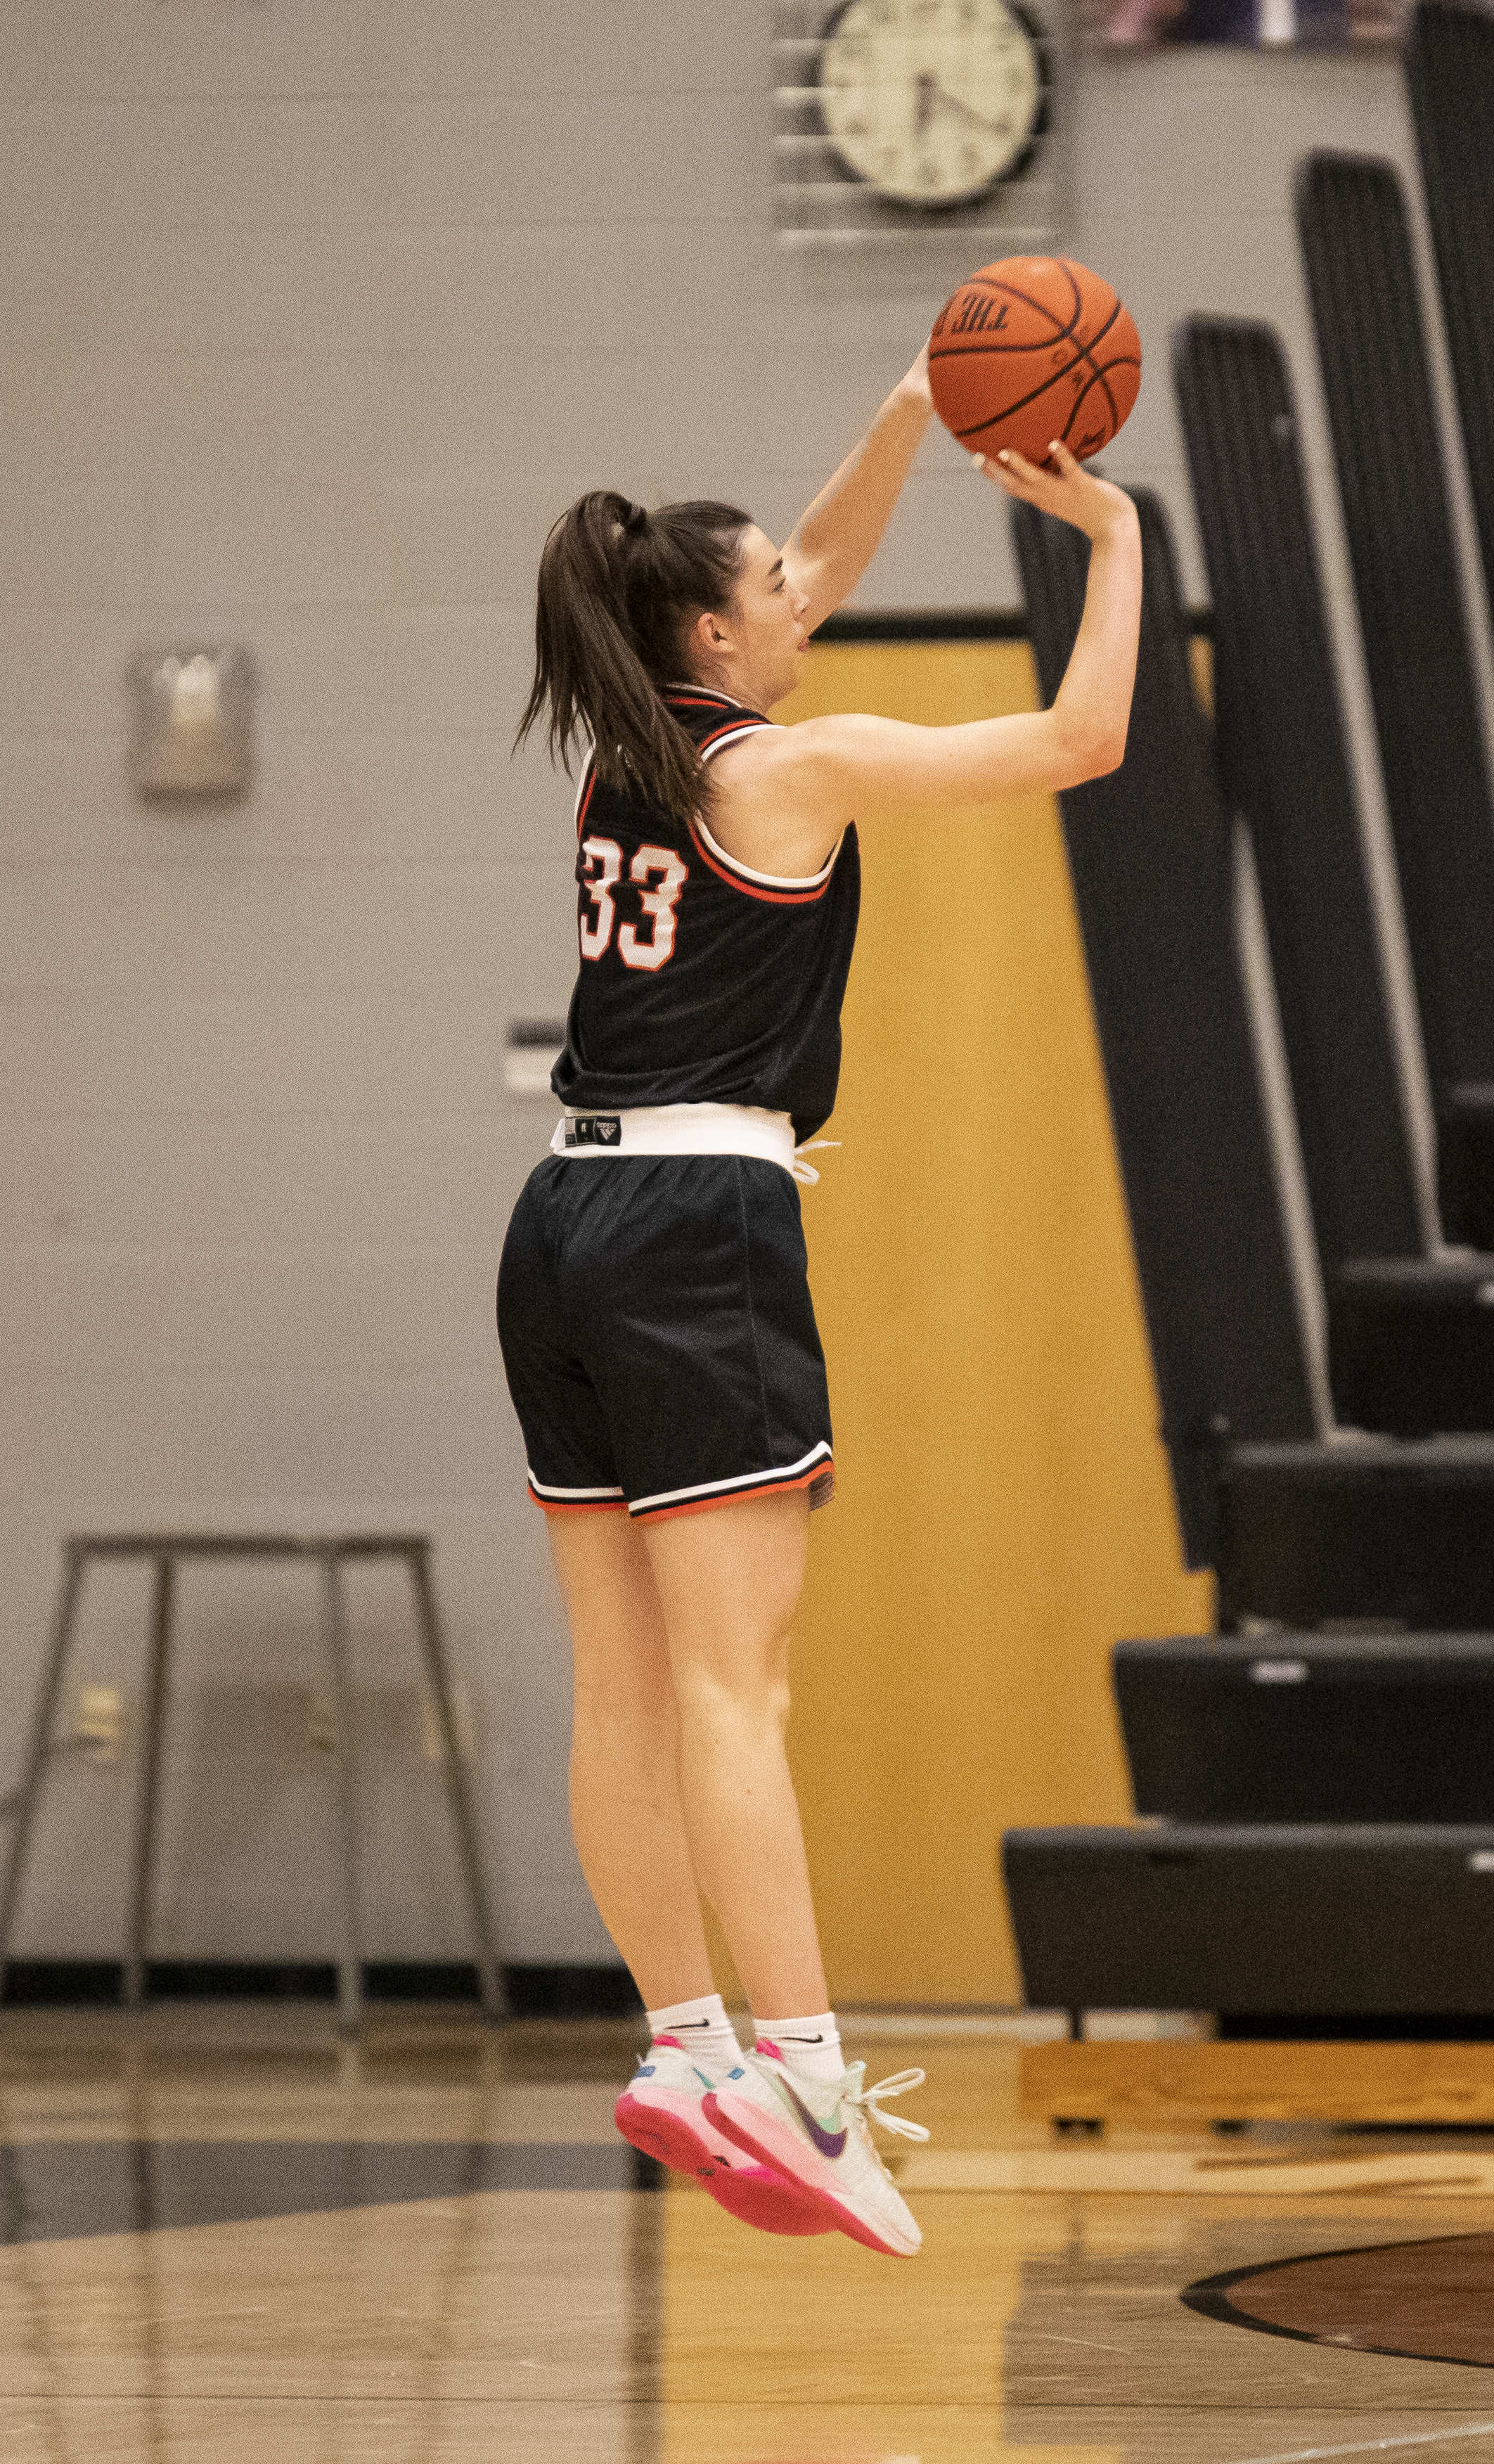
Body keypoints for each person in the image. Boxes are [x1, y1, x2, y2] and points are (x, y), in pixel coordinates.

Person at [501, 347, 1144, 2258]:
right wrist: (1117, 535)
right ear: (720, 623)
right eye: (780, 578)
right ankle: (804, 2074)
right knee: (730, 1686)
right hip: (704, 1220)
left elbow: (822, 562)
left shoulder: (627, 747)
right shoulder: (797, 764)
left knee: (621, 1683)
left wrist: (909, 414)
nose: (814, 585)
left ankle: (686, 2045)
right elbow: (1081, 744)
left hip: (558, 1220)